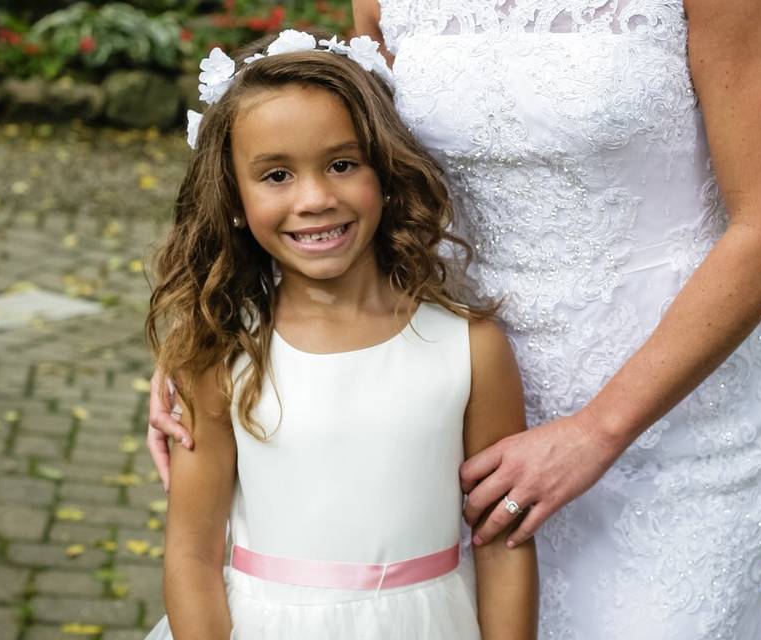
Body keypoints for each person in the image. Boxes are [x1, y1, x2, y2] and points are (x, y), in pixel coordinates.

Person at [150, 0, 761, 636]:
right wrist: (224, 335)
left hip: (666, 430)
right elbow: (360, 159)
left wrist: (598, 429)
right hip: (433, 395)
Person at [142, 31, 537, 640]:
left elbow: (501, 542)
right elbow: (191, 557)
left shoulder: (472, 348)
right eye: (276, 175)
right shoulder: (224, 356)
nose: (315, 199)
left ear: (386, 173)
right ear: (236, 200)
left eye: (342, 165)